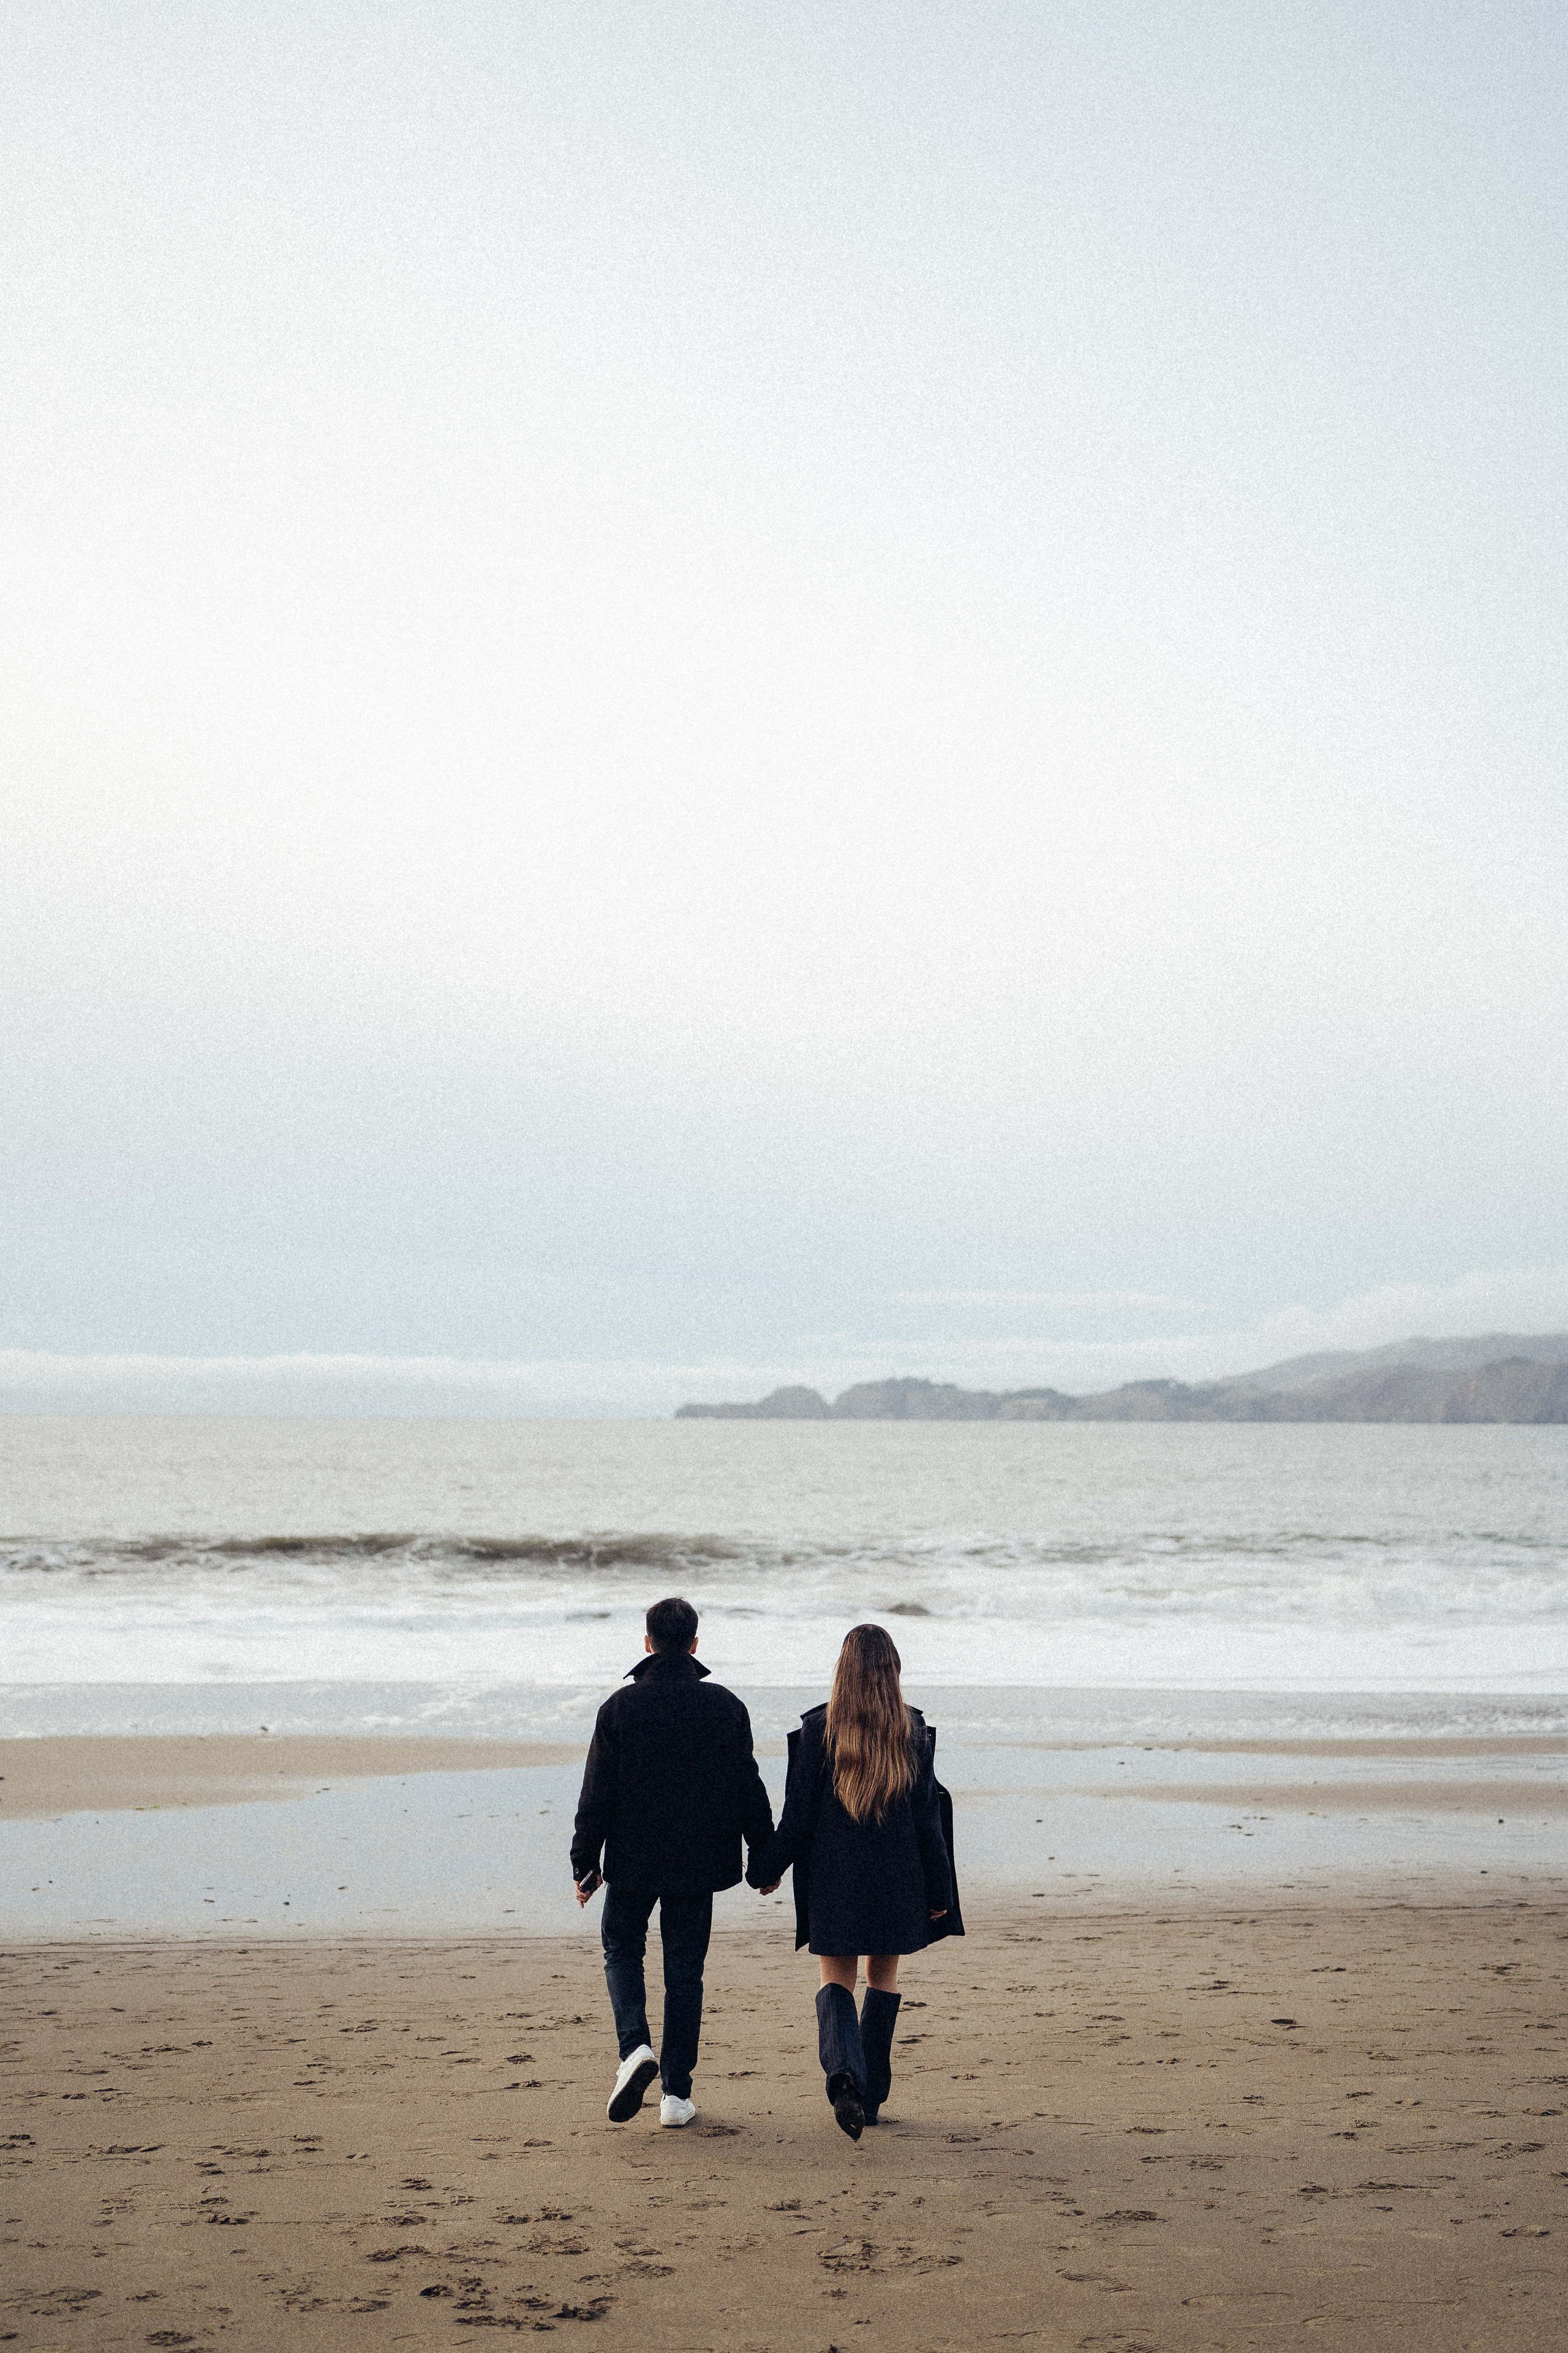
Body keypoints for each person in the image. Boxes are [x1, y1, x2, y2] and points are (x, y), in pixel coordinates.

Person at [748, 1621, 961, 2140]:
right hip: (897, 1879)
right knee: (881, 1979)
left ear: (841, 1672)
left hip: (832, 1878)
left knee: (835, 1979)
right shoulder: (911, 1730)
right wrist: (939, 1893)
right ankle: (871, 2094)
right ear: (894, 1671)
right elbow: (928, 1823)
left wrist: (765, 1868)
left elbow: (797, 1819)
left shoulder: (818, 1731)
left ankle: (844, 2075)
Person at [570, 1595, 774, 2129]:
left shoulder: (619, 1708)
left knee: (621, 1946)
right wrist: (766, 1858)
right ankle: (675, 2096)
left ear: (647, 1643)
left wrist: (584, 1863)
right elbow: (747, 1788)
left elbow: (597, 1793)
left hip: (634, 1859)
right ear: (695, 1644)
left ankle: (635, 2048)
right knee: (685, 1973)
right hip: (698, 1863)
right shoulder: (725, 1706)